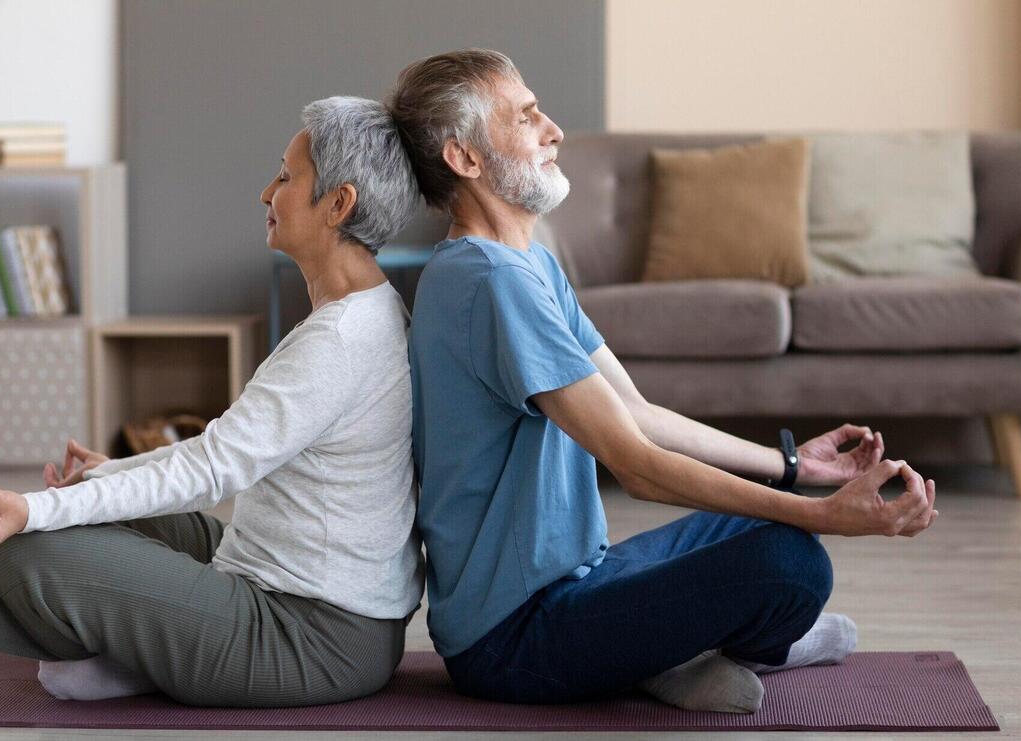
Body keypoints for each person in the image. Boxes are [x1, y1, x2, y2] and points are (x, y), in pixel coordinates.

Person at [388, 49, 937, 713]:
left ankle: (659, 653)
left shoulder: (524, 262)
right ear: (466, 159)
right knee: (794, 563)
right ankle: (671, 652)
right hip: (514, 636)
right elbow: (638, 467)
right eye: (527, 118)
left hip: (580, 577)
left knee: (772, 535)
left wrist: (794, 465)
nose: (554, 130)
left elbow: (638, 414)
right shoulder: (492, 282)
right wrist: (826, 513)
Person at [0, 96, 426, 708]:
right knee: (89, 508)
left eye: (286, 177)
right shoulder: (370, 312)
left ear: (338, 204)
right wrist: (107, 474)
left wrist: (29, 512)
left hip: (309, 635)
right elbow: (220, 451)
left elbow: (208, 469)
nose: (266, 193)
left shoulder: (339, 344)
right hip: (299, 590)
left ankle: (142, 659)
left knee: (29, 550)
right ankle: (149, 654)